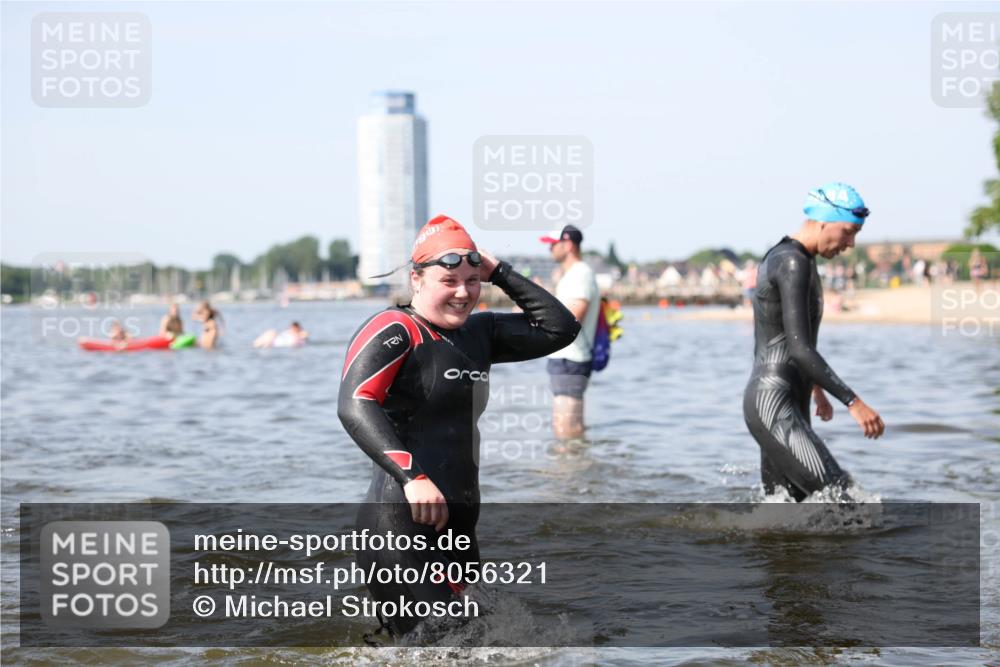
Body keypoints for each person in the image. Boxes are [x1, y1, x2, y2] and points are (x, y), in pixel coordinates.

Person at [337, 214, 578, 636]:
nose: (463, 293)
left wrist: (499, 272)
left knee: (476, 644)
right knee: (441, 649)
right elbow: (355, 403)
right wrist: (413, 477)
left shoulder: (479, 334)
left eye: (472, 280)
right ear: (416, 279)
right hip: (399, 529)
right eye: (449, 281)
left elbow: (560, 329)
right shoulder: (396, 329)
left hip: (459, 532)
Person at [743, 182, 885, 501]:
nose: (850, 243)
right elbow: (798, 348)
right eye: (848, 232)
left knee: (786, 516)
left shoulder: (792, 258)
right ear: (823, 221)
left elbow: (794, 338)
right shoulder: (793, 262)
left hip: (787, 401)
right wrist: (853, 402)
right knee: (843, 500)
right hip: (773, 402)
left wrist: (817, 390)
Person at [539, 225, 600, 439]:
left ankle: (570, 472)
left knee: (567, 428)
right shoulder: (572, 275)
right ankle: (578, 470)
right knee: (569, 427)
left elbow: (572, 319)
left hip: (571, 358)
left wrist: (537, 306)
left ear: (569, 244)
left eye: (553, 245)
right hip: (566, 357)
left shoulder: (580, 274)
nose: (550, 250)